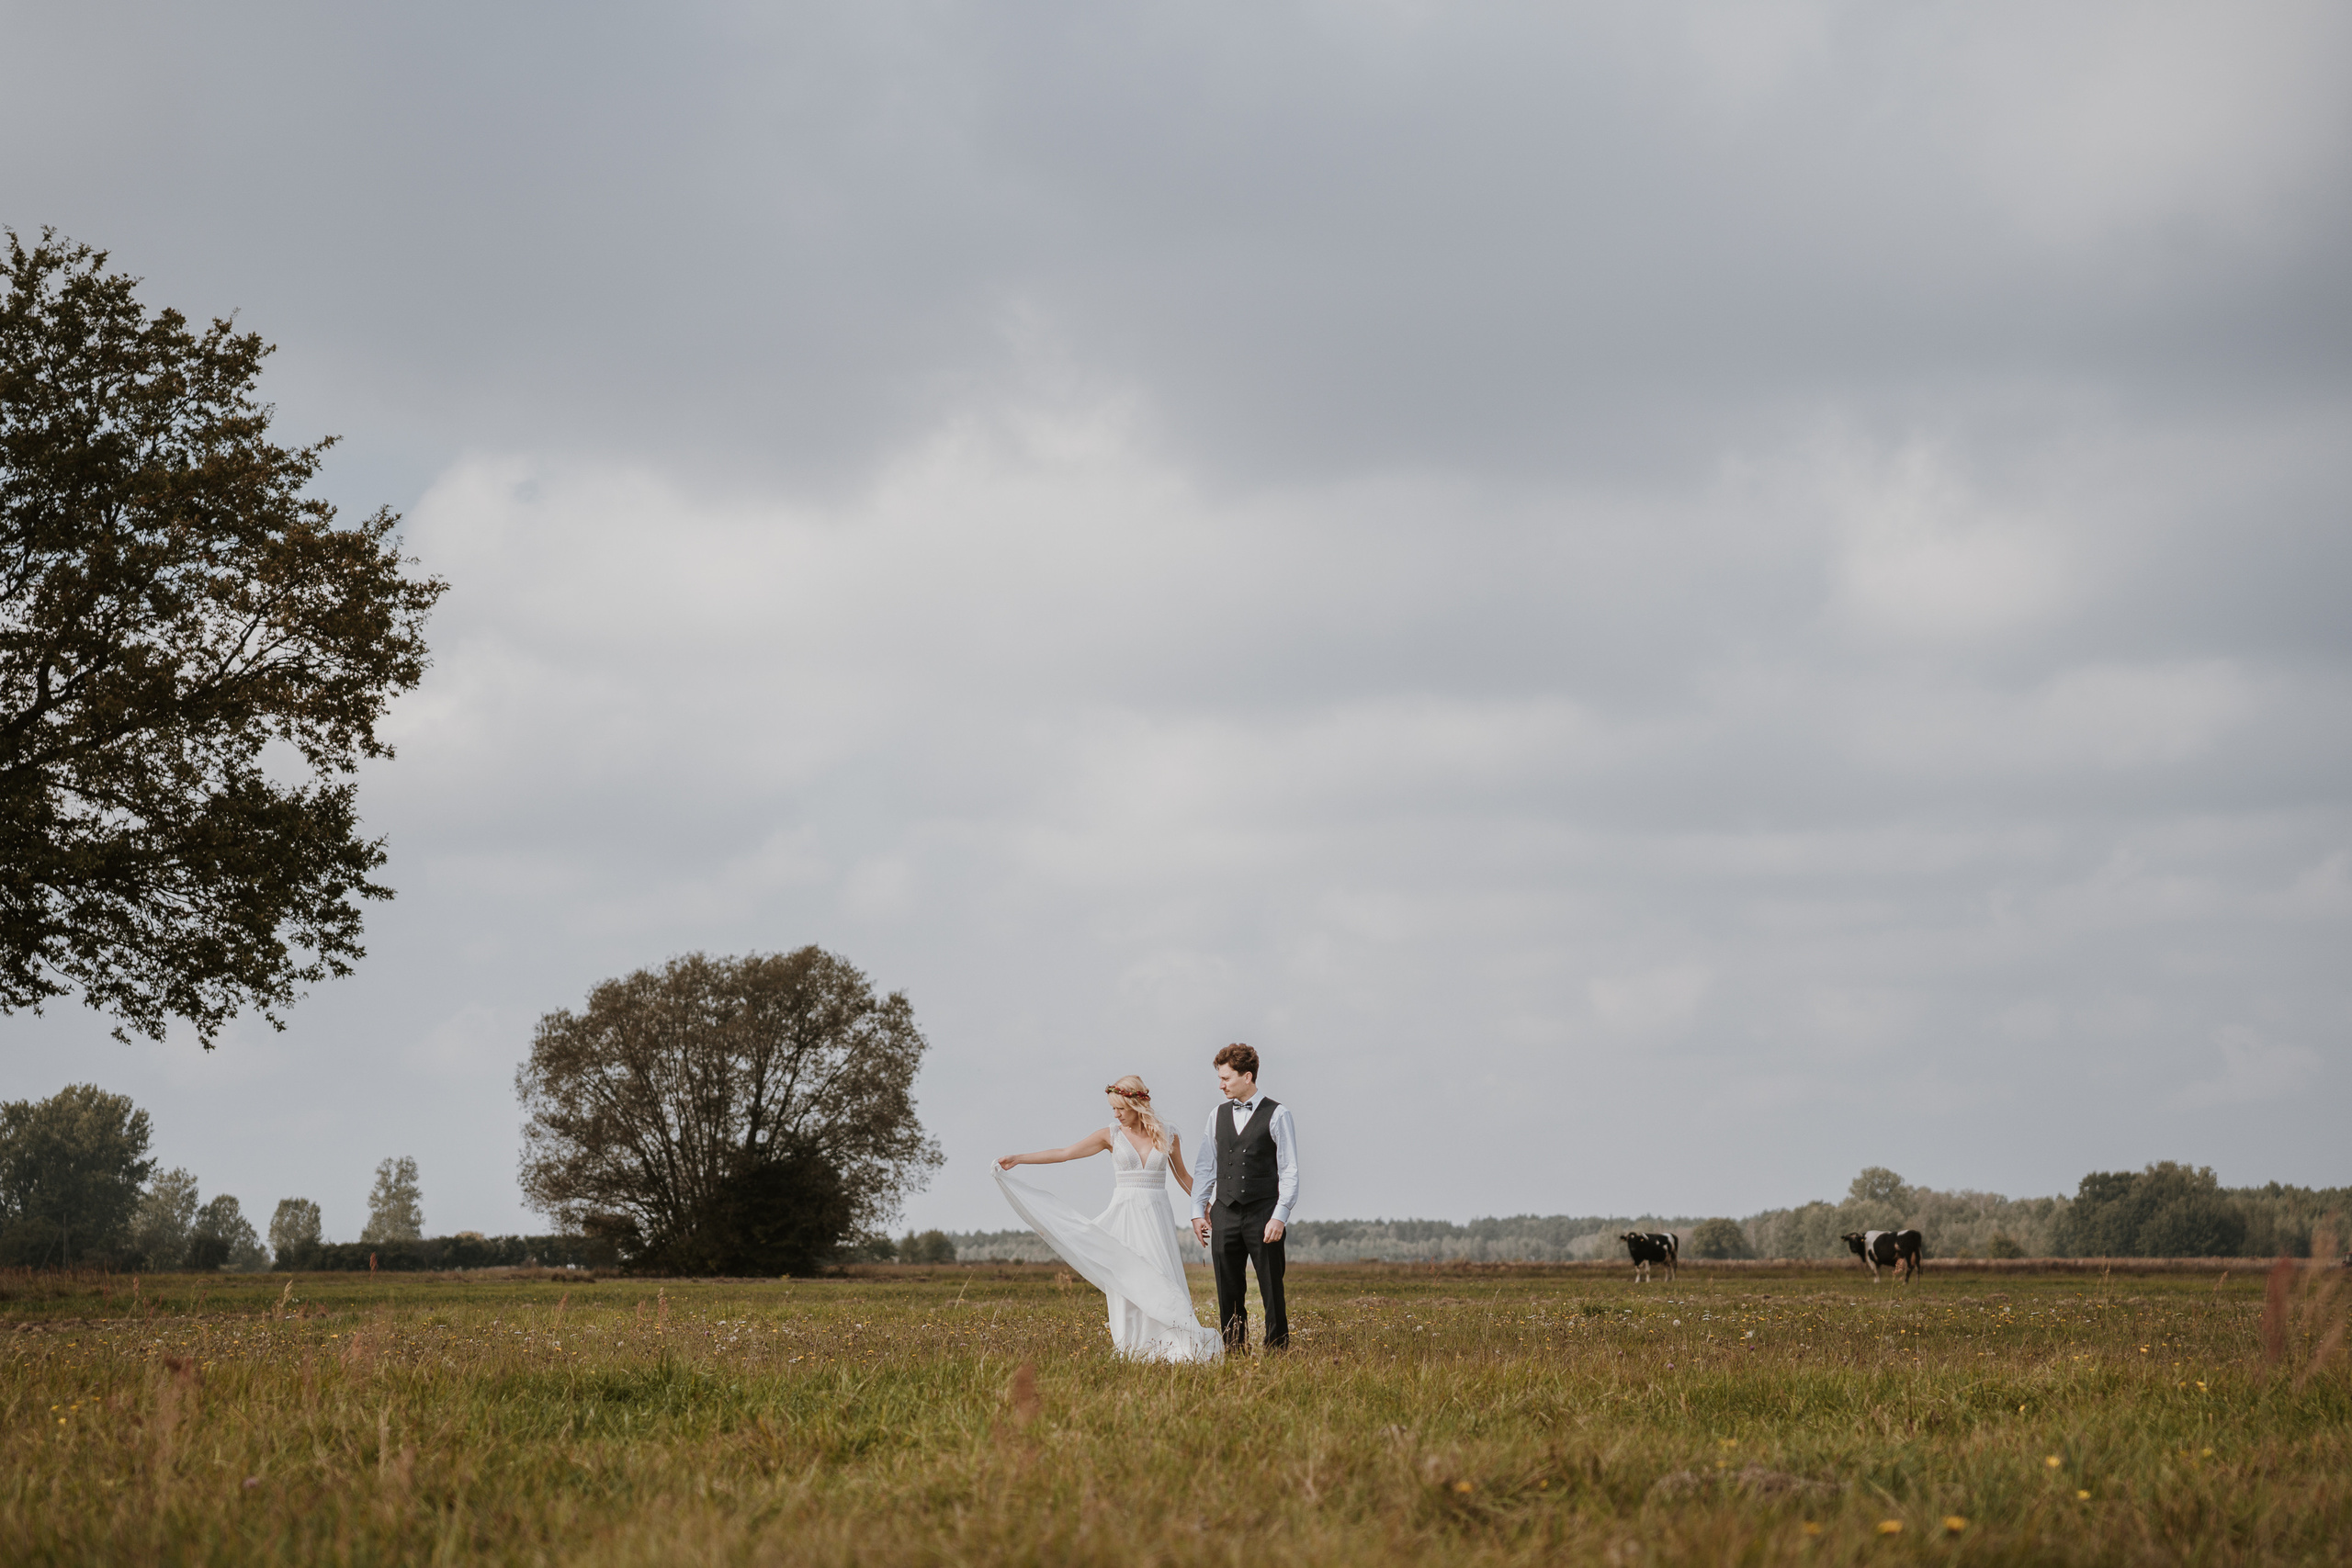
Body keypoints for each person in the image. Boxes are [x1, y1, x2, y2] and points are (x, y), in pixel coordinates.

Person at [992, 1075, 1223, 1362]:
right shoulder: (1110, 1135)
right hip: (1124, 1214)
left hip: (1156, 1215)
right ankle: (1135, 1347)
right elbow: (1064, 1154)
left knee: (1161, 1275)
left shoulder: (1168, 1133)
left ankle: (1175, 1340)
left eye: (1120, 1109)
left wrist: (1207, 1207)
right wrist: (1019, 1158)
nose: (1115, 1114)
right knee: (1126, 1276)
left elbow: (1184, 1177)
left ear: (1136, 1103)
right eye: (1113, 1109)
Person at [1188, 1043, 1298, 1350]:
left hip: (1264, 1214)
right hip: (1224, 1213)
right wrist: (1198, 1210)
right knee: (1227, 1289)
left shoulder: (1277, 1114)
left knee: (1272, 1289)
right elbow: (1205, 1166)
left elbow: (1289, 1169)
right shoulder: (1216, 1115)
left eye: (1226, 1078)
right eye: (1220, 1078)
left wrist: (1281, 1214)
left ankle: (1277, 1351)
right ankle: (1234, 1350)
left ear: (1247, 1076)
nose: (1221, 1085)